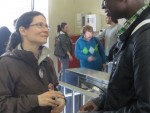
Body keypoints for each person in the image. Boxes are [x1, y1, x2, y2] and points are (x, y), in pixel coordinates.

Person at [79, 0, 150, 113]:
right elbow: (125, 87)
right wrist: (101, 101)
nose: (102, 5)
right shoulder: (134, 32)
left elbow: (145, 108)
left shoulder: (145, 36)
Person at [0, 11, 65, 113]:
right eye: (40, 25)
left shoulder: (47, 61)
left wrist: (61, 99)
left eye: (46, 26)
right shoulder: (6, 64)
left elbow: (54, 90)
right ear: (23, 30)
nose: (46, 30)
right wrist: (35, 100)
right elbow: (2, 105)